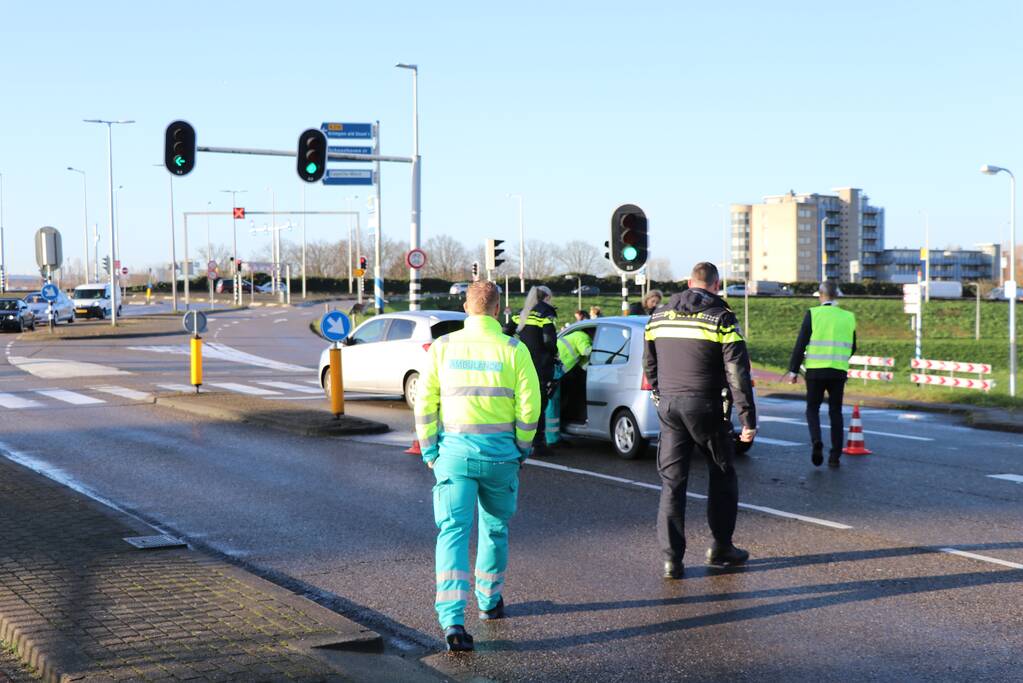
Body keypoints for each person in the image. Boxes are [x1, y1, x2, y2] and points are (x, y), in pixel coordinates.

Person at [415, 281, 542, 652]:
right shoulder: (513, 349)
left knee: (453, 533)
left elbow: (425, 402)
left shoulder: (443, 347)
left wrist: (430, 450)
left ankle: (453, 621)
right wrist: (521, 448)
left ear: (466, 308)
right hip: (501, 457)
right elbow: (530, 407)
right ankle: (489, 601)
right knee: (495, 528)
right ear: (498, 309)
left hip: (454, 456)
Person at [643, 261, 756, 580]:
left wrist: (660, 394)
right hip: (707, 406)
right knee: (721, 474)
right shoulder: (721, 317)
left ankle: (671, 561)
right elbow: (737, 372)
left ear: (689, 283)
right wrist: (747, 417)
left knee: (672, 483)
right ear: (716, 285)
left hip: (670, 407)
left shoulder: (658, 316)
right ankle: (721, 547)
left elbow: (649, 364)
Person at [785, 280, 857, 468]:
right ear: (837, 295)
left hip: (815, 371)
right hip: (838, 371)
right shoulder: (848, 317)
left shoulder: (813, 314)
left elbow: (801, 343)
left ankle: (816, 440)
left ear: (820, 295)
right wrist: (840, 358)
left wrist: (793, 370)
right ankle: (835, 456)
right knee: (836, 412)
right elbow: (853, 346)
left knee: (812, 408)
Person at [505, 286, 558, 456]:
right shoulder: (546, 313)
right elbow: (549, 340)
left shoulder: (521, 313)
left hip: (519, 365)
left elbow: (505, 333)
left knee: (519, 402)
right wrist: (554, 353)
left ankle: (514, 439)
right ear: (547, 297)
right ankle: (538, 444)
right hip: (540, 366)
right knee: (538, 404)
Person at [545, 324, 593, 447]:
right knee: (552, 405)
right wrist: (597, 349)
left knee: (552, 404)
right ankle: (552, 439)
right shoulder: (583, 337)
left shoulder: (574, 336)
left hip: (553, 370)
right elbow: (586, 351)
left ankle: (550, 437)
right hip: (555, 371)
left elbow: (583, 364)